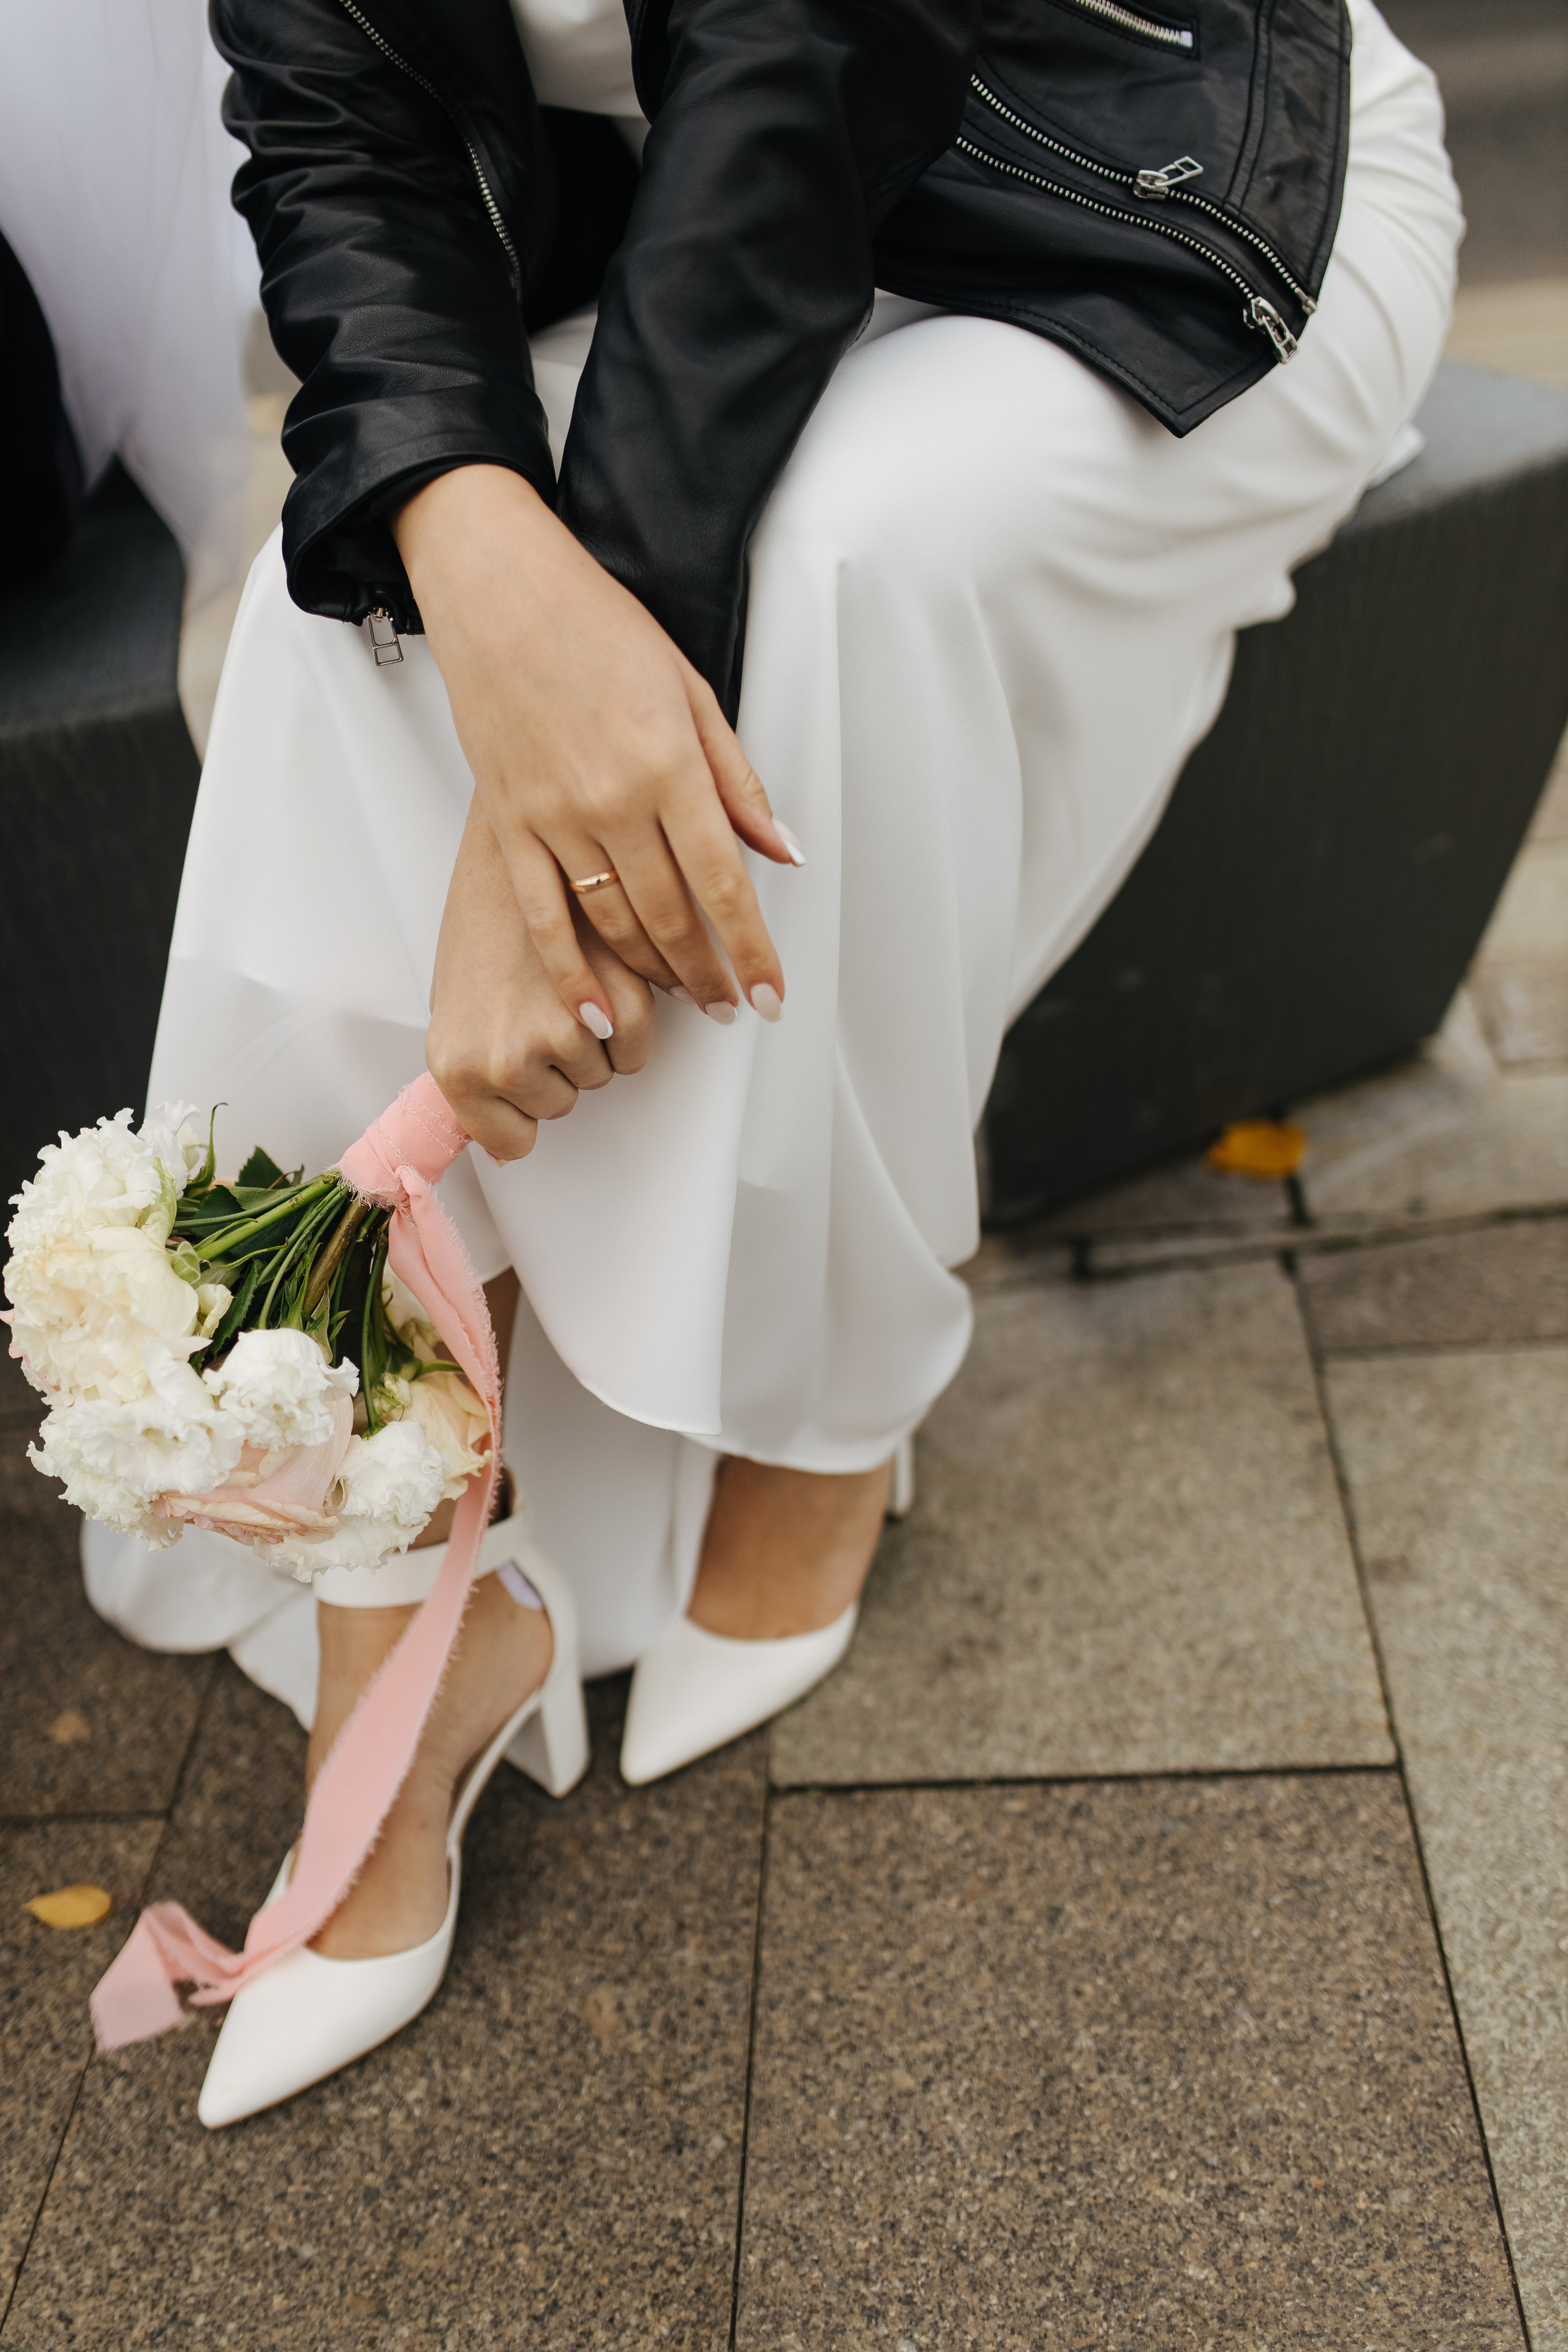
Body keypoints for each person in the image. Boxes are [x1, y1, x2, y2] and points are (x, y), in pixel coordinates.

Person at [83, 0, 1461, 2121]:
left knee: (833, 571)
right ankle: (400, 1589)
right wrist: (463, 530)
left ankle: (834, 1408)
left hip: (1139, 170)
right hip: (711, 245)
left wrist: (533, 809)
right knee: (328, 607)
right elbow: (338, 131)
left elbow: (807, 53)